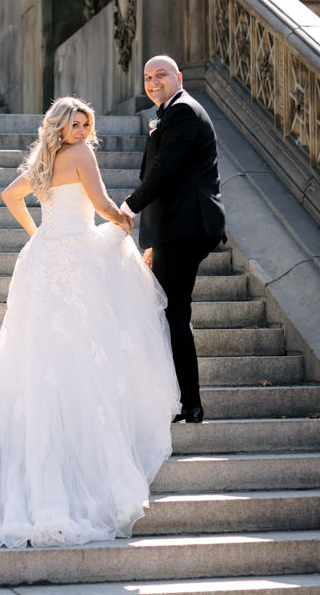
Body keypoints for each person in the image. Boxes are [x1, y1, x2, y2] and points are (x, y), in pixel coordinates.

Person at [0, 97, 180, 548]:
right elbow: (99, 204)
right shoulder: (82, 155)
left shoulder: (45, 159)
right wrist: (127, 221)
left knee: (36, 354)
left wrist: (37, 235)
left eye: (84, 124)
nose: (80, 131)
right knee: (76, 348)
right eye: (74, 124)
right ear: (60, 127)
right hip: (73, 254)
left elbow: (10, 195)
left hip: (42, 259)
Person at [121, 56, 227, 425]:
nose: (153, 82)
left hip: (187, 225)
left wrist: (128, 207)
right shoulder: (171, 112)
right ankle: (186, 402)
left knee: (173, 311)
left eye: (160, 75)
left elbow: (165, 171)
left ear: (178, 77)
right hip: (177, 227)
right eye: (148, 77)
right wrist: (152, 241)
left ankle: (188, 403)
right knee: (172, 311)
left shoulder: (182, 111)